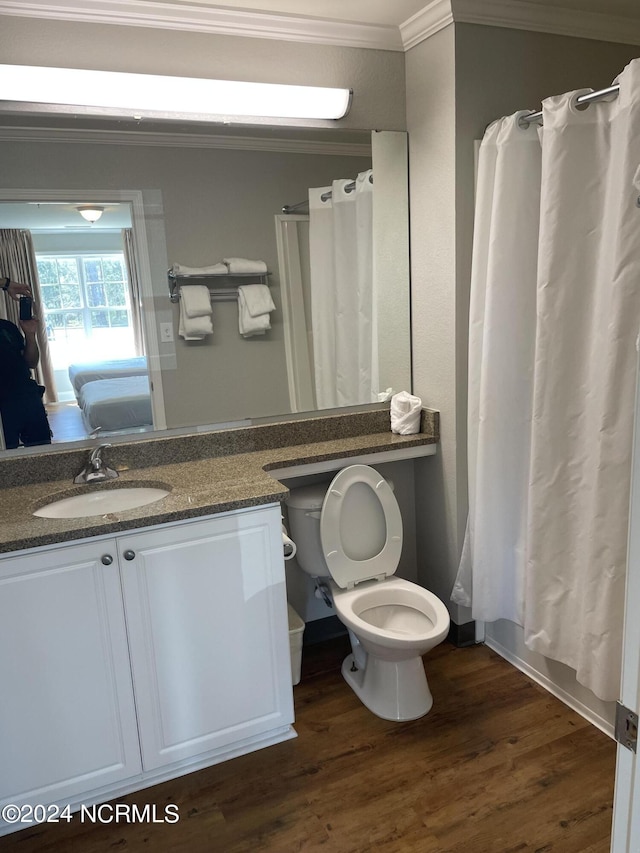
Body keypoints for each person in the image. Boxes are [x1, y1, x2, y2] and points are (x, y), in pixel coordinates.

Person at [0, 276, 52, 448]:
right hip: (3, 408)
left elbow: (31, 362)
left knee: (42, 452)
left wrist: (30, 336)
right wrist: (6, 284)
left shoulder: (7, 327)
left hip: (27, 399)